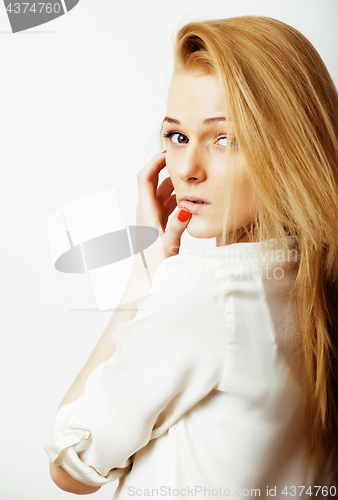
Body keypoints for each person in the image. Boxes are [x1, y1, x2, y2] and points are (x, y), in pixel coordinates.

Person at [44, 15, 338, 499]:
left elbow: (70, 465)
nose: (186, 169)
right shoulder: (310, 281)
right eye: (177, 136)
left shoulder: (202, 291)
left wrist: (147, 270)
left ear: (288, 148)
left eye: (225, 138)